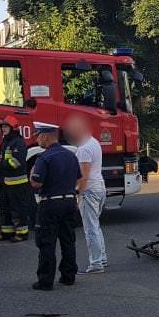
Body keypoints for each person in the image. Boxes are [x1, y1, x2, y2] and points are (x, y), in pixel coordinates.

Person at [28, 122, 81, 291]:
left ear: (45, 136)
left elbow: (36, 183)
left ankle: (45, 280)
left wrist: (31, 174)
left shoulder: (44, 157)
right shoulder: (70, 155)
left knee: (46, 242)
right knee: (68, 240)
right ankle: (68, 276)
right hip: (70, 201)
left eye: (38, 136)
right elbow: (78, 178)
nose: (37, 140)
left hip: (50, 203)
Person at [64, 114, 107, 274]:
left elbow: (83, 176)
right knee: (95, 225)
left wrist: (77, 194)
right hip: (100, 186)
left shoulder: (83, 149)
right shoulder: (94, 142)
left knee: (90, 229)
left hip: (89, 190)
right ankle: (101, 258)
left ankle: (96, 264)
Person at [0, 115, 35, 242]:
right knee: (4, 208)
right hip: (7, 182)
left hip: (18, 183)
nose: (3, 129)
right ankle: (7, 231)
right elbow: (1, 154)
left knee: (18, 209)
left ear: (13, 128)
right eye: (2, 127)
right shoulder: (6, 141)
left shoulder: (18, 143)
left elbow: (16, 163)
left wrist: (0, 162)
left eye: (5, 126)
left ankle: (22, 233)